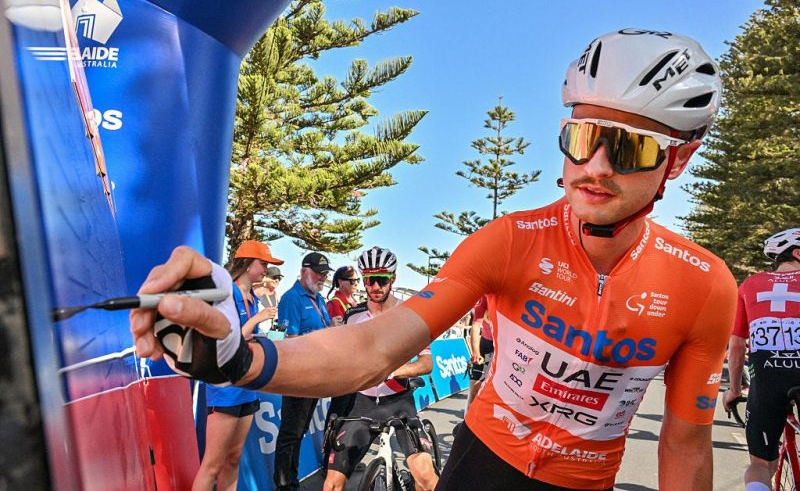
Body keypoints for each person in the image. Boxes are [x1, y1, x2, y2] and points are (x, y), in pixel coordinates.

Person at [131, 29, 738, 491]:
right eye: (582, 138)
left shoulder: (704, 285)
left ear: (677, 160)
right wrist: (241, 357)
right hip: (483, 464)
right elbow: (374, 348)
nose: (596, 166)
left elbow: (685, 444)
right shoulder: (510, 241)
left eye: (629, 148)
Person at [324, 247, 438, 491]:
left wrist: (394, 371)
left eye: (382, 279)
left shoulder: (411, 315)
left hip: (399, 402)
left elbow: (427, 363)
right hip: (362, 404)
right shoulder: (352, 316)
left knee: (427, 479)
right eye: (369, 280)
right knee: (331, 484)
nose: (375, 286)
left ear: (393, 278)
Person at [194, 240, 283, 491]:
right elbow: (227, 339)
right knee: (212, 465)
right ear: (247, 265)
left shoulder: (252, 297)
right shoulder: (226, 293)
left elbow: (248, 338)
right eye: (263, 264)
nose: (266, 269)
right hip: (225, 388)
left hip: (247, 385)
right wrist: (257, 319)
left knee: (234, 459)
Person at [723, 228, 800, 491]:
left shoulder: (750, 284)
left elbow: (737, 344)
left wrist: (734, 390)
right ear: (797, 253)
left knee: (760, 463)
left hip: (767, 377)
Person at [273, 252, 332, 491]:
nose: (322, 277)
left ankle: (291, 481)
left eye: (325, 274)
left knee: (299, 432)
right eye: (318, 273)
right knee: (290, 433)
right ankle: (284, 485)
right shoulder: (292, 298)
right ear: (304, 271)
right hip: (299, 376)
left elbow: (325, 328)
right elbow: (289, 340)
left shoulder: (319, 298)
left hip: (315, 375)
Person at [465, 295, 494, 409]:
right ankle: (467, 418)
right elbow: (476, 325)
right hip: (485, 343)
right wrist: (476, 353)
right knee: (473, 390)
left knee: (489, 391)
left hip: (501, 346)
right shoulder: (484, 297)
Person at [252, 266, 282, 334]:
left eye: (279, 278)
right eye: (274, 277)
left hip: (272, 333)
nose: (277, 280)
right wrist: (266, 279)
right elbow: (250, 283)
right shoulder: (259, 290)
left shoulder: (277, 295)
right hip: (258, 333)